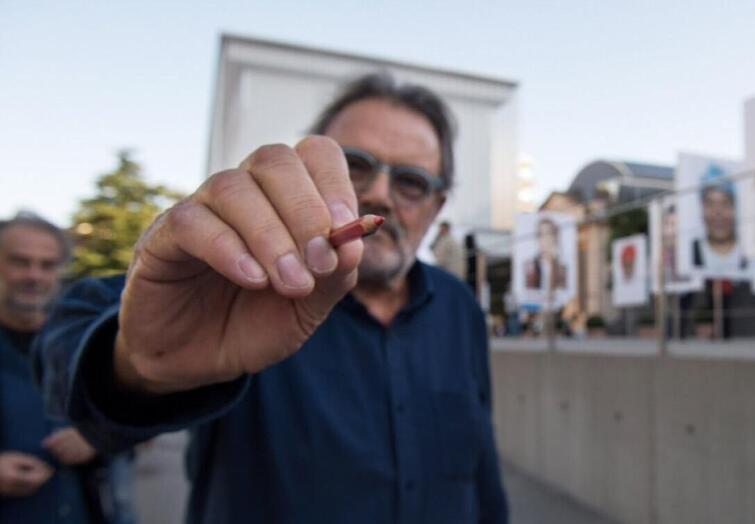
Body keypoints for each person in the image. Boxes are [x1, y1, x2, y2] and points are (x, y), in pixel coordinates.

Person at [35, 73, 508, 523]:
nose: (380, 196)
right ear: (313, 174)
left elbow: (481, 467)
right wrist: (135, 366)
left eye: (411, 182)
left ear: (438, 205)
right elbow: (70, 335)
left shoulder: (457, 308)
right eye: (355, 166)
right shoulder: (240, 283)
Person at [0, 212, 133, 523]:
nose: (34, 275)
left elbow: (142, 416)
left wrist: (97, 436)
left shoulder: (86, 343)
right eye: (19, 262)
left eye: (47, 265)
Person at [691, 164, 748, 276]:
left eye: (725, 203)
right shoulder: (692, 252)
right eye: (710, 204)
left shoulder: (749, 253)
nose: (718, 213)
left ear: (735, 207)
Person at [523, 217, 567, 291]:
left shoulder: (561, 268)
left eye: (548, 234)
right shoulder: (529, 267)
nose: (544, 239)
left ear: (554, 238)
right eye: (540, 235)